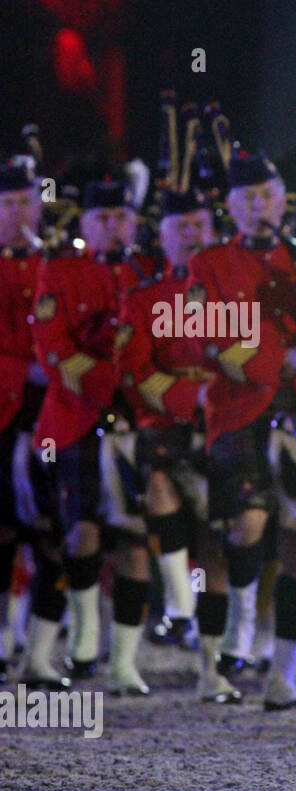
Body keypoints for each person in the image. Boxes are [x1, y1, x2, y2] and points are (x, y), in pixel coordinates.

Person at [186, 149, 296, 711]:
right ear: (230, 206)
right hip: (238, 413)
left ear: (283, 200)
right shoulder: (207, 266)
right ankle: (229, 645)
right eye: (247, 198)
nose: (260, 207)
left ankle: (282, 677)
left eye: (268, 196)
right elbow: (215, 346)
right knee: (246, 525)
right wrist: (291, 356)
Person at [27, 176, 154, 692]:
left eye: (122, 217)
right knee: (79, 533)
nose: (114, 226)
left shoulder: (147, 272)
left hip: (136, 423)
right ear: (86, 224)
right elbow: (52, 351)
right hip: (78, 419)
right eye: (103, 218)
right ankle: (82, 639)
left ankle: (124, 665)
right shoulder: (58, 271)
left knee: (135, 543)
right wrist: (115, 377)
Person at [117, 186, 238, 702]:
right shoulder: (144, 297)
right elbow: (134, 369)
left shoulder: (231, 295)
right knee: (161, 483)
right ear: (161, 237)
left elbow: (245, 357)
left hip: (221, 421)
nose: (191, 236)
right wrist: (192, 396)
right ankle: (179, 605)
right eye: (180, 228)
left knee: (216, 545)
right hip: (161, 418)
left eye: (198, 227)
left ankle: (211, 666)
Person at [0, 155, 46, 685]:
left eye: (25, 201)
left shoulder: (53, 265)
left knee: (46, 531)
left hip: (47, 415)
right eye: (7, 203)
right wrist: (23, 371)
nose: (18, 212)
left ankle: (39, 644)